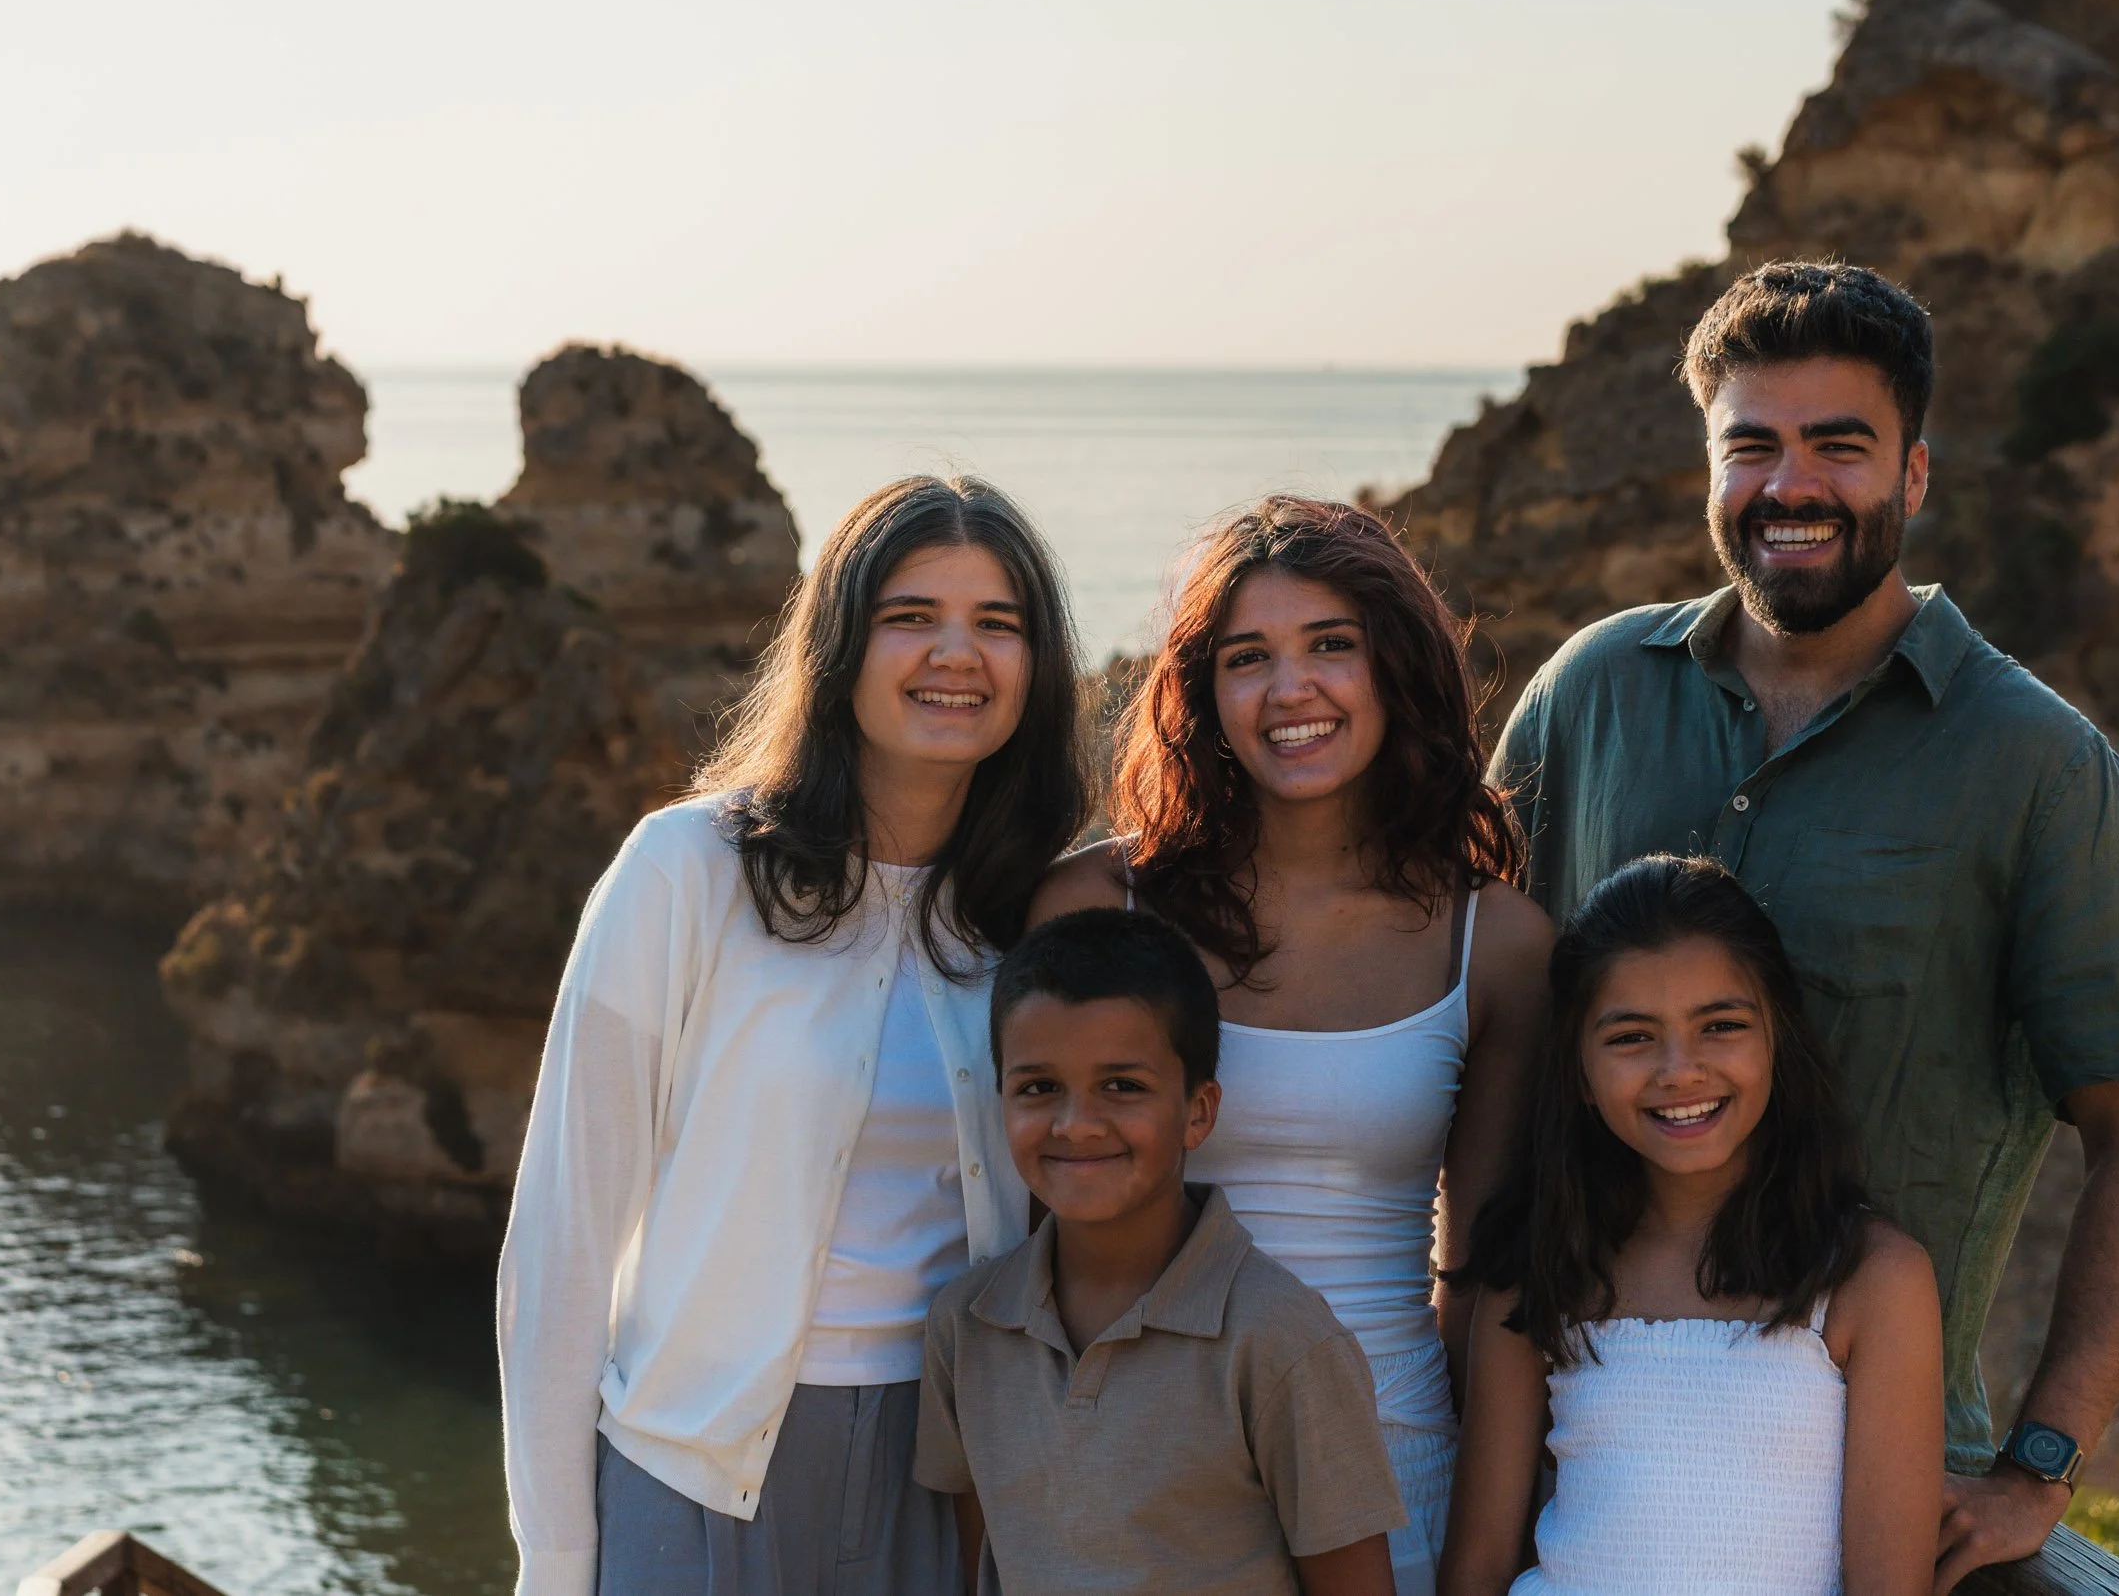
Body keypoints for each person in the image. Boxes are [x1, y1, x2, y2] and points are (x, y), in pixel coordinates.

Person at [1492, 261, 2119, 1590]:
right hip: (1571, 1450)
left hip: (1878, 1492)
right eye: (1751, 446)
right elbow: (1475, 1024)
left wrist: (2039, 1466)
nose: (1791, 484)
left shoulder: (2036, 765)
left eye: (1839, 445)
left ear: (1913, 474)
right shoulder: (1588, 695)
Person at [496, 475, 1090, 1596]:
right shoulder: (685, 872)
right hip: (690, 1483)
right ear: (839, 645)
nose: (956, 653)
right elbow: (560, 1245)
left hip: (945, 1481)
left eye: (997, 622)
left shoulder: (1038, 911)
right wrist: (558, 1564)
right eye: (911, 615)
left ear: (1036, 665)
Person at [1033, 495, 1554, 1596]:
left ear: (1394, 666)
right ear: (1202, 692)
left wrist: (1480, 1556)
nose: (1290, 689)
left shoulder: (1494, 943)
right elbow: (1026, 1230)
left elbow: (1486, 1282)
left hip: (1393, 1465)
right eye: (1247, 657)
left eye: (1331, 645)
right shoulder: (1097, 905)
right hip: (1148, 1476)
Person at [1439, 854, 1944, 1596]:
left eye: (1721, 1025)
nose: (1679, 1069)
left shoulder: (1871, 1278)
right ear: (1578, 1072)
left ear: (1778, 1037)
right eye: (1631, 1037)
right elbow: (1477, 1570)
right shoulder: (1539, 1269)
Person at [916, 906, 1406, 1596]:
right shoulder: (965, 1326)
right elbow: (979, 1561)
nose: (1076, 1124)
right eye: (1039, 1087)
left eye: (1122, 1086)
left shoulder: (1282, 1342)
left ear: (1198, 1111)